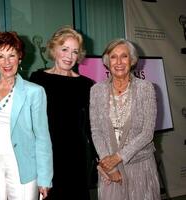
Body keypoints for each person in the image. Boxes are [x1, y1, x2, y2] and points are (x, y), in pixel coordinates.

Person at [0, 31, 53, 200]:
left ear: (20, 57)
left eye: (12, 55)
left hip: (23, 166)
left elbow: (42, 137)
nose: (7, 62)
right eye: (1, 56)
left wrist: (45, 178)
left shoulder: (34, 92)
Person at [89, 38, 160, 200]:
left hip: (140, 165)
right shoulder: (96, 90)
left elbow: (147, 133)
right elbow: (96, 131)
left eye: (124, 56)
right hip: (110, 170)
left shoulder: (146, 88)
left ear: (132, 60)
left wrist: (118, 157)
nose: (119, 62)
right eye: (113, 57)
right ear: (107, 61)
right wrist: (110, 166)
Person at [30, 26, 94, 200]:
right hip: (46, 155)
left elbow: (91, 126)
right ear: (53, 49)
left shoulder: (86, 85)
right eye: (64, 49)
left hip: (76, 156)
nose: (69, 56)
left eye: (75, 52)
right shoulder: (38, 79)